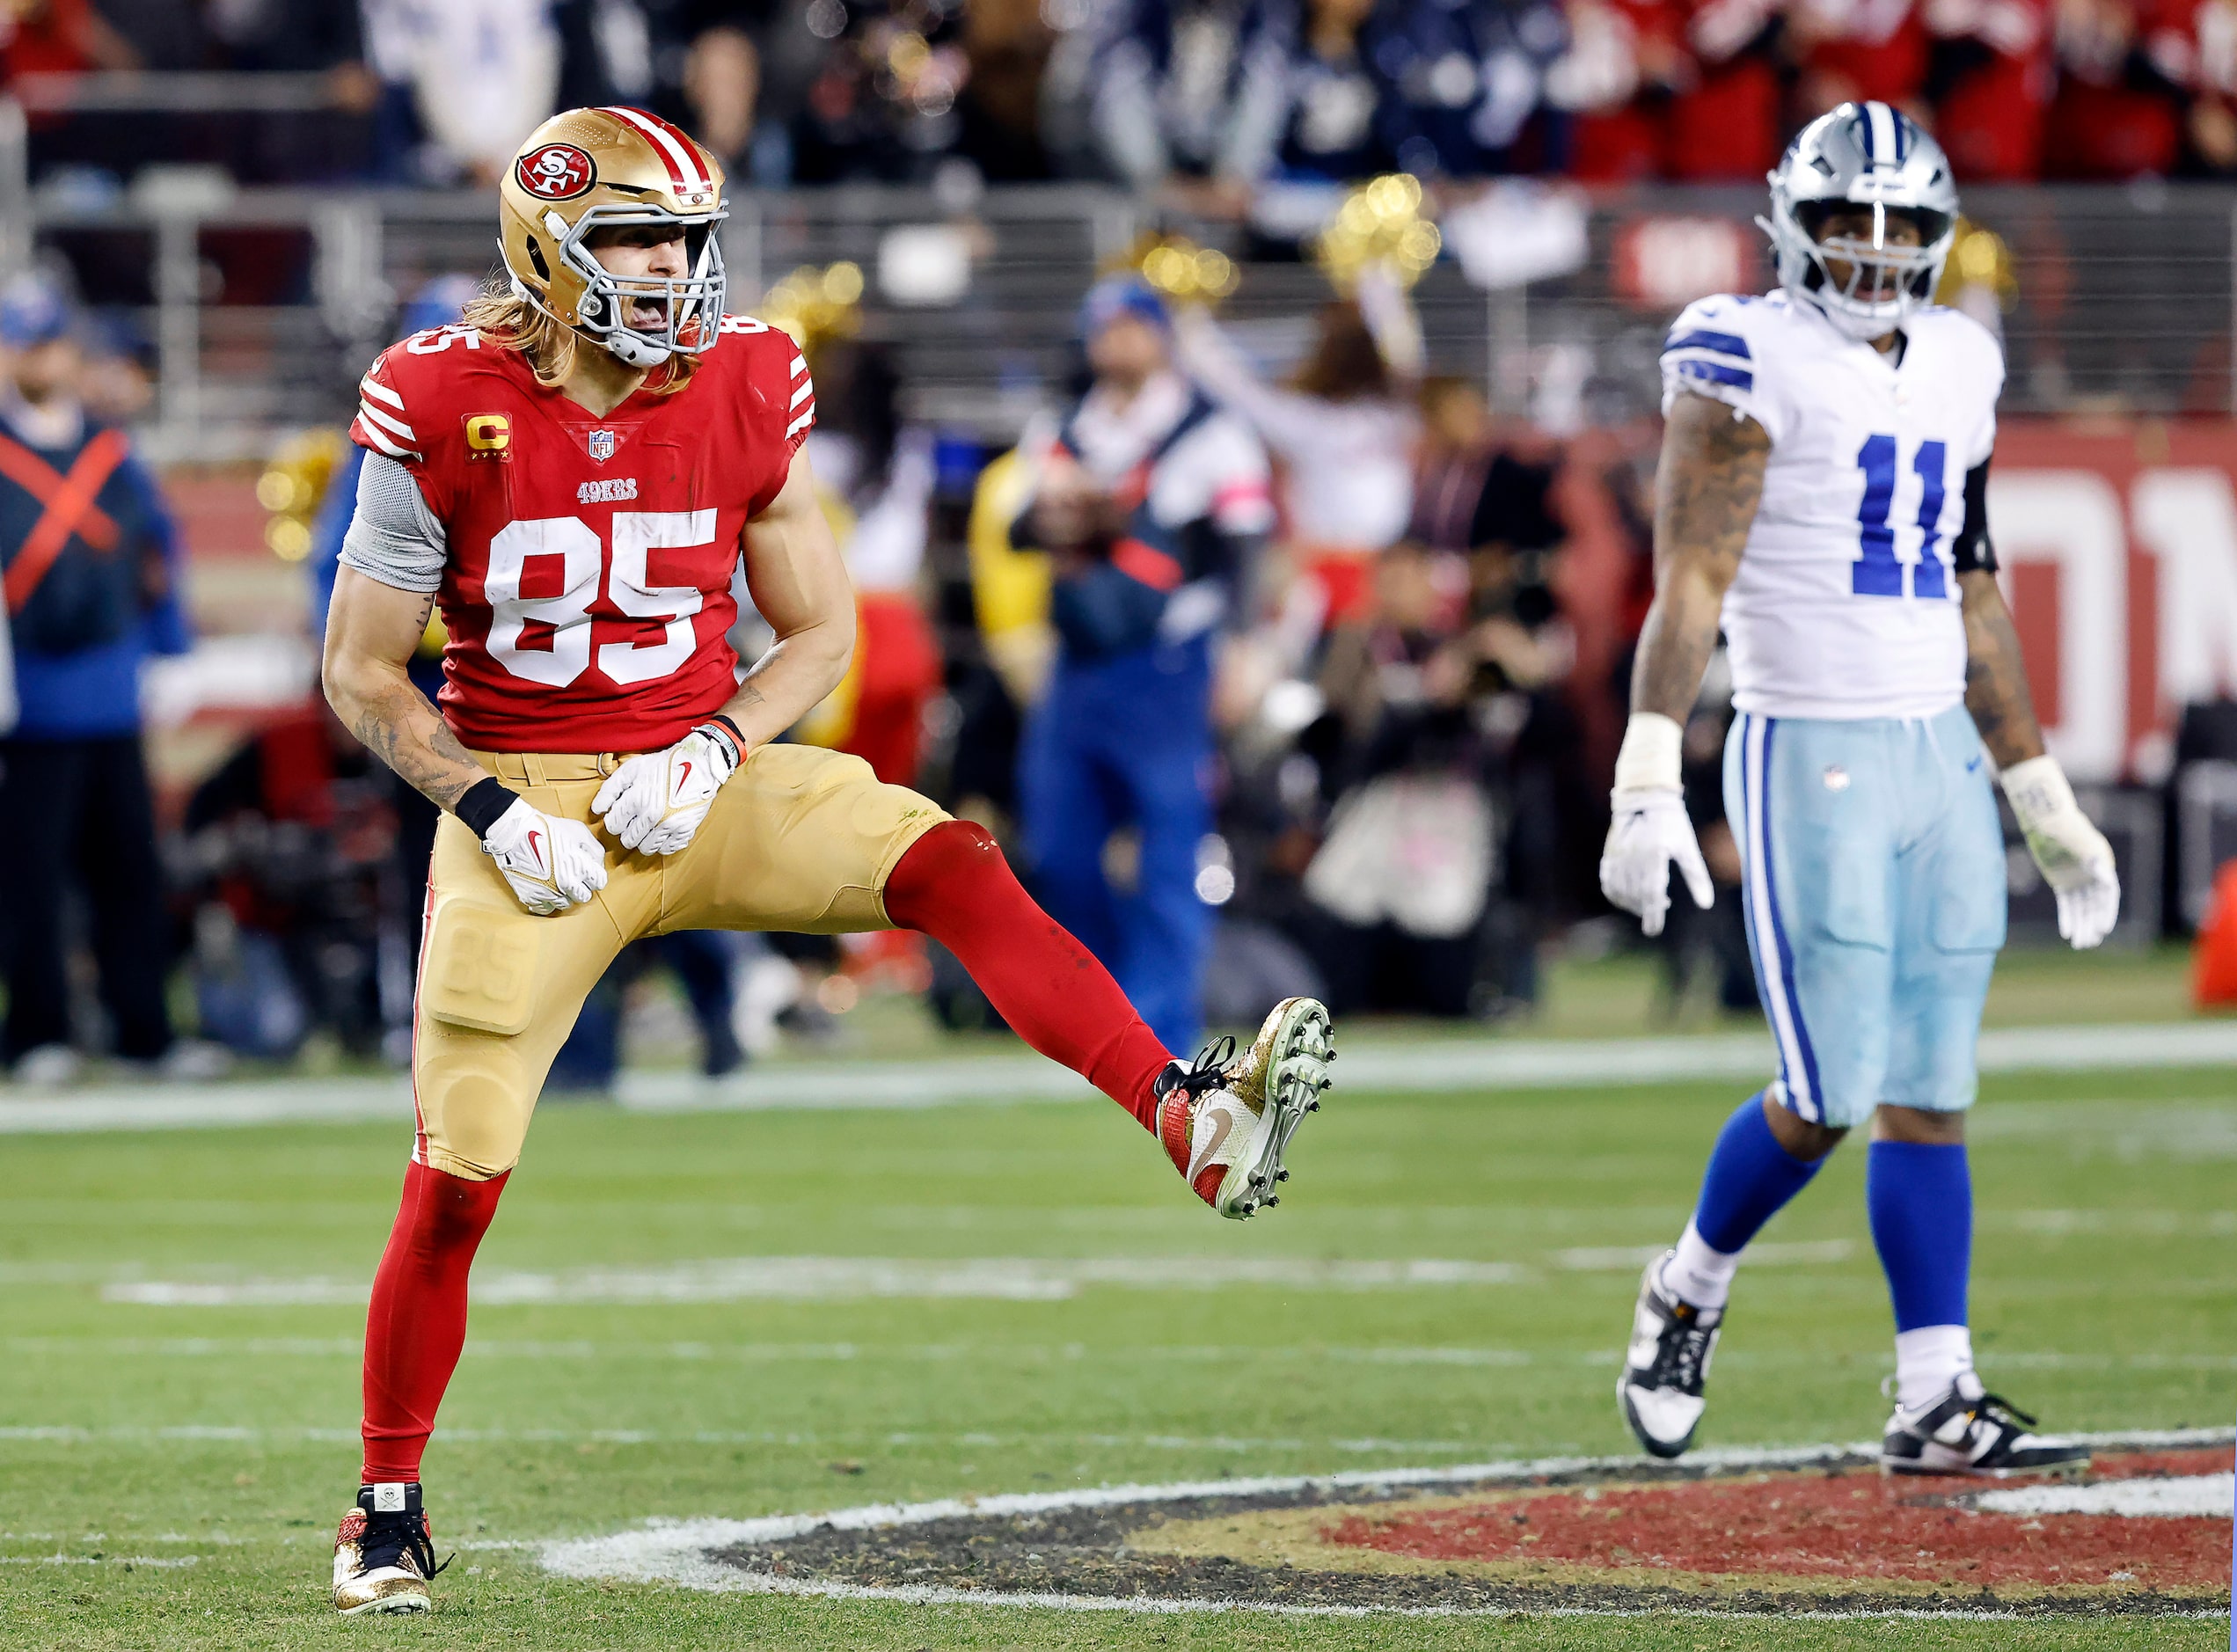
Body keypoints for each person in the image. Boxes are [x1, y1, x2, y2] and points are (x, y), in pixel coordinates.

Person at [318, 106, 1334, 1616]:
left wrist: (718, 745)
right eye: (636, 242)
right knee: (457, 1173)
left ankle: (1179, 1110)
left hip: (697, 774)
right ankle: (383, 1507)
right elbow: (360, 670)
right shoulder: (438, 398)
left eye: (684, 240)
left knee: (950, 864)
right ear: (547, 251)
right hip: (524, 805)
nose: (672, 272)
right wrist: (482, 807)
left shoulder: (745, 376)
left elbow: (818, 635)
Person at [1600, 103, 2122, 1478]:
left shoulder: (1959, 358)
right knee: (1826, 1088)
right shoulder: (1741, 347)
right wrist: (1648, 759)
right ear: (1792, 222)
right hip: (1806, 742)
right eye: (1846, 218)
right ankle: (1684, 1289)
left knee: (1930, 1086)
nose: (1875, 248)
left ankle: (1931, 1391)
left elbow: (1970, 576)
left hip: (1934, 750)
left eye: (1901, 223)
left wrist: (2034, 784)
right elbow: (1692, 576)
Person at [1011, 277, 1276, 1056]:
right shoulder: (1062, 431)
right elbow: (1018, 532)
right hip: (1079, 662)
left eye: (1133, 328)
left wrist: (1242, 646)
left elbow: (1243, 551)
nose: (1119, 344)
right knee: (1058, 845)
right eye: (1107, 330)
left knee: (1169, 846)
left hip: (1169, 661)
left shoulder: (1209, 433)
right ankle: (1102, 1012)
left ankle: (1163, 1028)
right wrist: (1061, 512)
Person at [0, 274, 218, 1084]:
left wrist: (172, 649)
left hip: (112, 695)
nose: (39, 358)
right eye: (24, 344)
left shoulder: (109, 450)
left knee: (131, 870)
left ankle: (146, 1032)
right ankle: (37, 1035)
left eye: (49, 343)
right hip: (28, 704)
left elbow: (156, 551)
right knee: (31, 880)